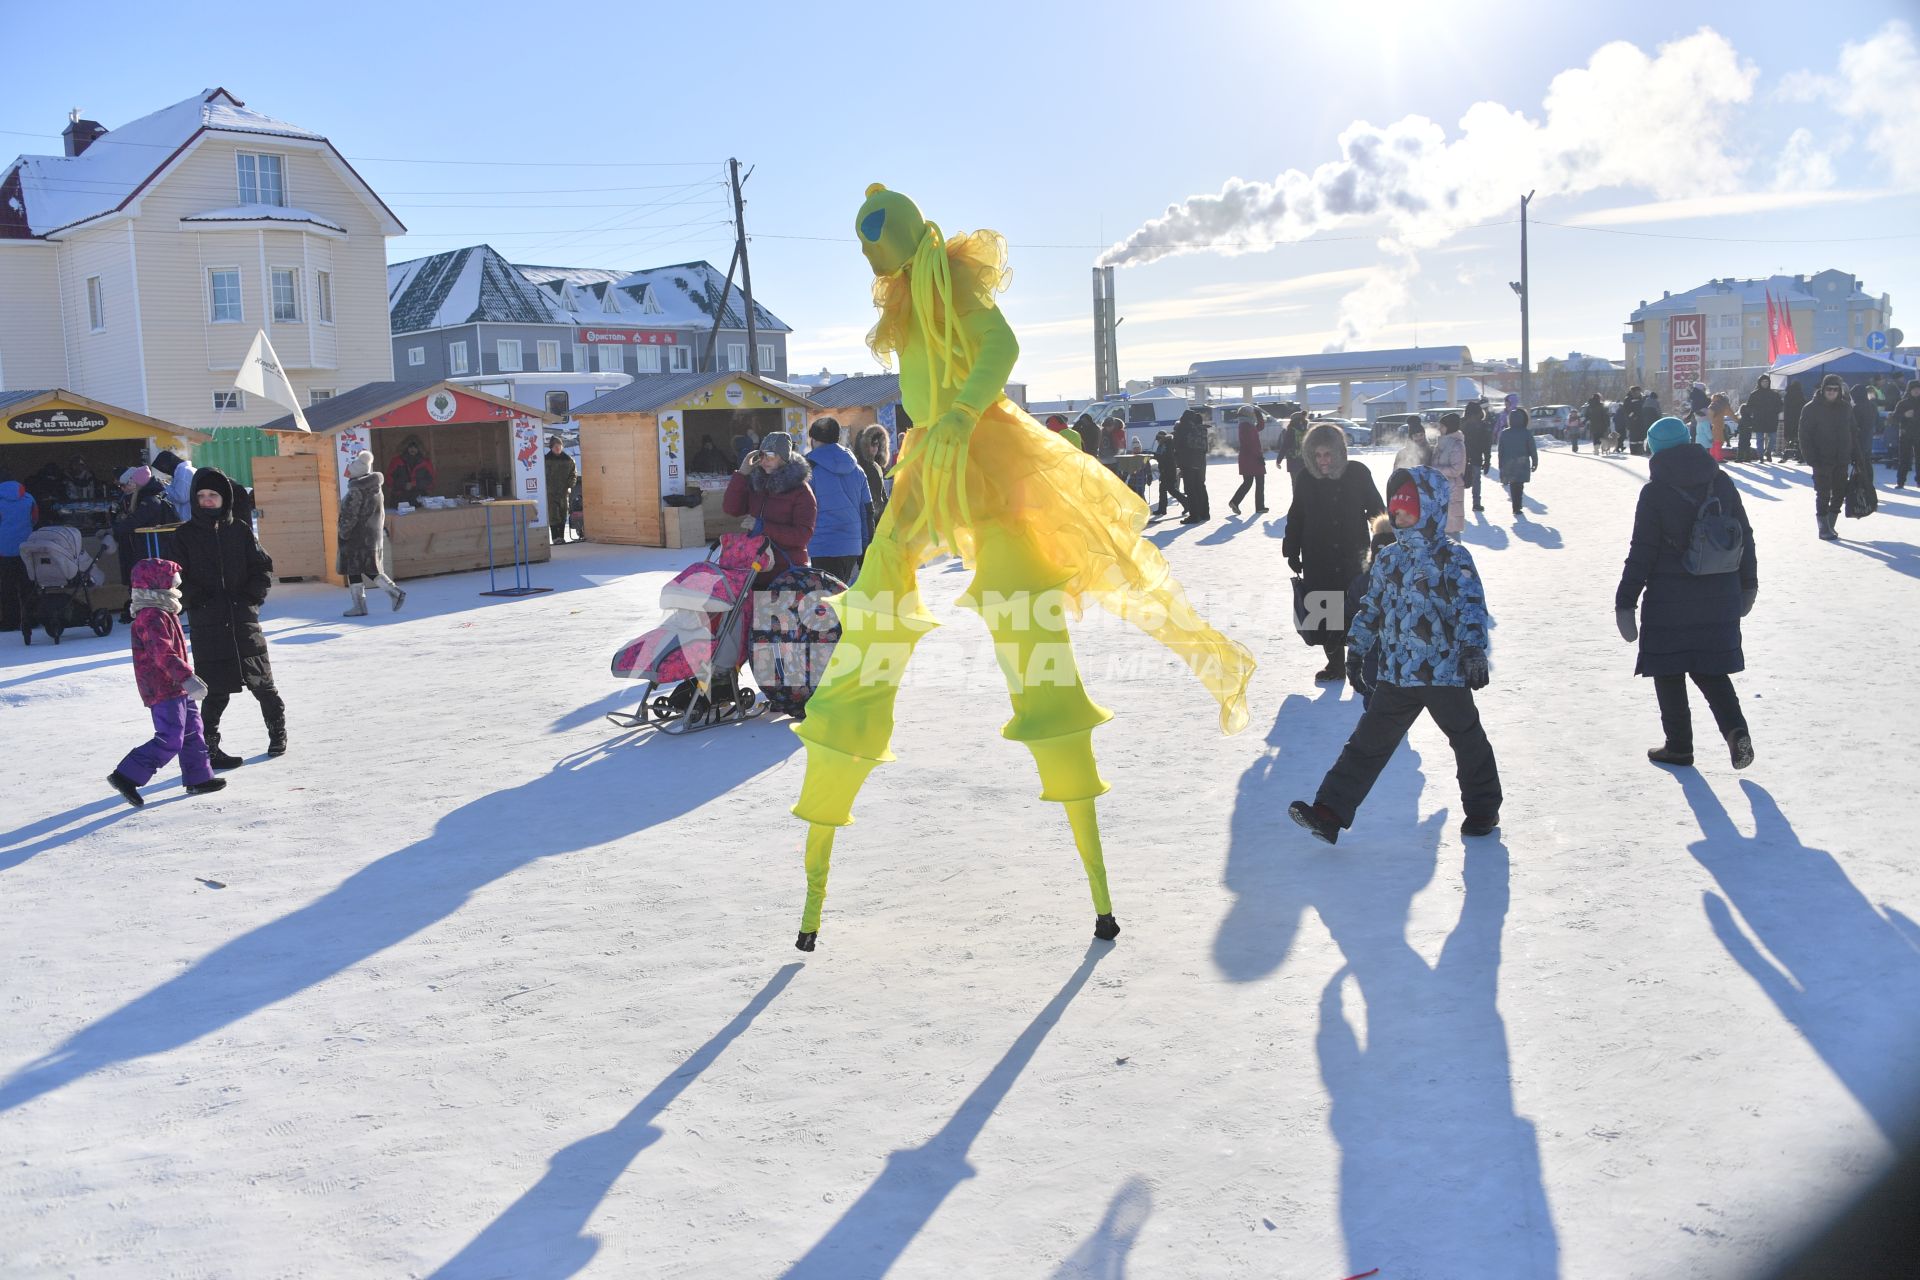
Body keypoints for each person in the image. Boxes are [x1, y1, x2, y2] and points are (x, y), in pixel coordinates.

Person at [785, 184, 1254, 951]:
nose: (876, 260)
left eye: (880, 241)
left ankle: (1097, 883)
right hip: (925, 459)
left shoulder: (954, 275)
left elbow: (999, 348)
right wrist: (937, 424)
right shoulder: (906, 296)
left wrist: (965, 411)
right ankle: (817, 866)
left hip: (983, 448)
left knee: (1024, 616)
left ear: (902, 237)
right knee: (875, 611)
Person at [1288, 466, 1500, 844]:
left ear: (1431, 508)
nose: (1399, 516)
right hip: (1397, 673)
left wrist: (1472, 649)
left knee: (1467, 740)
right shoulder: (1388, 559)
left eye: (1409, 510)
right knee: (1366, 744)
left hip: (1442, 673)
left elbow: (1471, 607)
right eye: (1396, 510)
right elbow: (1372, 608)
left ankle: (1483, 809)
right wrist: (1357, 651)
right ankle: (1329, 812)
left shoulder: (1453, 558)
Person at [1614, 417, 1757, 770]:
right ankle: (1736, 731)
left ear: (1654, 449)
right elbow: (1745, 535)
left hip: (1669, 598)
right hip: (1720, 592)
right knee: (1711, 669)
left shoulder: (1655, 492)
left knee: (1668, 669)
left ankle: (1679, 746)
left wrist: (1625, 600)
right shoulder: (1720, 480)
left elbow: (1642, 550)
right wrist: (1748, 584)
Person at [172, 468, 286, 766]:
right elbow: (175, 578)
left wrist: (251, 596)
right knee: (213, 690)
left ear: (225, 498)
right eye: (201, 496)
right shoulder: (183, 536)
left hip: (243, 618)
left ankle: (277, 732)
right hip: (208, 623)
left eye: (213, 495)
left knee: (263, 684)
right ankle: (209, 746)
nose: (207, 501)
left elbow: (261, 567)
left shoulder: (240, 530)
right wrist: (199, 600)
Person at [105, 558, 226, 807]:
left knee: (193, 730)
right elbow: (163, 653)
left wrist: (185, 679)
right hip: (162, 688)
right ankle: (126, 775)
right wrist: (187, 677)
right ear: (155, 584)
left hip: (177, 684)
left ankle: (198, 777)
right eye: (171, 582)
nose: (176, 586)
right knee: (171, 737)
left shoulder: (164, 609)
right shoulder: (151, 615)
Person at [1283, 422, 1385, 682]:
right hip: (1318, 556)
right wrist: (1291, 548)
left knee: (1359, 609)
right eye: (1316, 455)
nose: (1322, 461)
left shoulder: (1358, 473)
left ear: (1339, 452)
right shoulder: (1306, 478)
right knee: (1327, 611)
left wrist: (1383, 542)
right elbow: (1297, 515)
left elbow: (1376, 509)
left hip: (1355, 555)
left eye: (1327, 454)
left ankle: (1362, 663)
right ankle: (1335, 665)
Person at [722, 429, 816, 578]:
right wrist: (742, 474)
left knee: (775, 602)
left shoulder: (801, 491)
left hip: (787, 573)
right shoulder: (759, 484)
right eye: (761, 455)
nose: (764, 461)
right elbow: (731, 509)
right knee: (756, 602)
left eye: (770, 456)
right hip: (757, 569)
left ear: (784, 458)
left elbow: (801, 536)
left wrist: (762, 527)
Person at [801, 417, 870, 584]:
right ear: (838, 438)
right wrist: (866, 546)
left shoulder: (808, 468)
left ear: (813, 439)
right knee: (846, 598)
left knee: (826, 602)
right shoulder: (857, 469)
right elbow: (867, 511)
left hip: (823, 544)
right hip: (853, 545)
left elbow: (803, 509)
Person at [336, 450, 406, 617]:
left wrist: (343, 532)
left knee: (355, 569)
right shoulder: (374, 488)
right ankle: (392, 593)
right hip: (370, 536)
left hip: (356, 536)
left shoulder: (356, 491)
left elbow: (350, 516)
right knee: (367, 568)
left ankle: (366, 604)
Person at [111, 466, 177, 619]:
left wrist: (117, 529)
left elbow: (137, 520)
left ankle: (156, 610)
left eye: (123, 485)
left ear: (134, 483)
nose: (122, 488)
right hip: (145, 547)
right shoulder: (137, 498)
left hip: (153, 548)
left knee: (152, 579)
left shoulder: (150, 499)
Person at [1801, 374, 1859, 541]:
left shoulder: (1845, 407)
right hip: (1821, 459)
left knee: (1840, 492)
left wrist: (1856, 454)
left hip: (1842, 457)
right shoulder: (1811, 408)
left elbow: (1853, 431)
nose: (1832, 392)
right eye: (1829, 389)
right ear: (1823, 389)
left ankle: (1830, 524)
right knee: (1823, 493)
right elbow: (1804, 436)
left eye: (1835, 389)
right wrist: (1811, 458)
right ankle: (1823, 527)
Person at [0, 472, 39, 635]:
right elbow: (35, 520)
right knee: (28, 585)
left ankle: (10, 621)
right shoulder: (29, 498)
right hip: (26, 548)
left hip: (3, 549)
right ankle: (31, 618)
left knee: (7, 587)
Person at [1497, 400, 1539, 517]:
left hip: (1509, 463)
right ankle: (1518, 506)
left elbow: (1501, 451)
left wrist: (1501, 465)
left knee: (1513, 484)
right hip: (1522, 463)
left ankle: (1515, 506)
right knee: (1519, 485)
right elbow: (1532, 449)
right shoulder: (1526, 433)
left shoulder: (1504, 433)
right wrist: (1535, 461)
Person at [1430, 412, 1468, 534]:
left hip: (1452, 489)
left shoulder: (1457, 445)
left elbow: (1456, 470)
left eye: (1442, 426)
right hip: (1440, 488)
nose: (1439, 429)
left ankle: (1456, 553)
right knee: (1441, 528)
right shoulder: (1442, 442)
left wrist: (1435, 470)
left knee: (1451, 529)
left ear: (1449, 427)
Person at [1173, 406, 1211, 523]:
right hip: (1201, 462)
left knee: (1190, 489)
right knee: (1200, 487)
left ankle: (1194, 515)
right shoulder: (1200, 429)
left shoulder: (1183, 428)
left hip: (1188, 462)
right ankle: (1205, 513)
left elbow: (1177, 446)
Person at [1228, 404, 1267, 514]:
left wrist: (1259, 416)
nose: (1254, 415)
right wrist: (1259, 457)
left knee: (1248, 482)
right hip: (1252, 458)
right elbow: (1251, 444)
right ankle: (1259, 507)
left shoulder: (1246, 425)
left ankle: (1235, 501)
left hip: (1247, 458)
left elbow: (1260, 427)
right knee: (1259, 482)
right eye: (1253, 414)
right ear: (1248, 414)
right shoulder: (1247, 426)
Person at [854, 423, 892, 532]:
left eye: (878, 444)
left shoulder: (876, 466)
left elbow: (882, 493)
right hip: (866, 518)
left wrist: (888, 509)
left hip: (879, 516)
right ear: (864, 446)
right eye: (873, 444)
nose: (876, 447)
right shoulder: (859, 467)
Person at [1740, 375, 1781, 463]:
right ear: (1760, 383)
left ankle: (1768, 452)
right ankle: (1761, 455)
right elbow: (1748, 407)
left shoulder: (1774, 394)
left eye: (1767, 382)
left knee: (1773, 438)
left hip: (1771, 419)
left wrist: (1775, 411)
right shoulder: (1754, 394)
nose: (1765, 383)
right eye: (1763, 382)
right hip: (1759, 419)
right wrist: (1755, 411)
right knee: (1759, 439)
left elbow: (1780, 405)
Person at [543, 435, 577, 544]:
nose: (558, 448)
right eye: (555, 446)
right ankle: (555, 538)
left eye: (559, 445)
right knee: (553, 515)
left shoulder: (568, 460)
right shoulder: (545, 460)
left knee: (563, 514)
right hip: (550, 492)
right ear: (551, 447)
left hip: (563, 492)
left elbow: (573, 474)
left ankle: (561, 537)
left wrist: (569, 486)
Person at [1461, 400, 1493, 510]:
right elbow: (1487, 445)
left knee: (1459, 482)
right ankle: (1476, 503)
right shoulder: (1483, 426)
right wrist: (1487, 460)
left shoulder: (1460, 424)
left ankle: (1457, 504)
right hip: (1476, 458)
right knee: (1476, 481)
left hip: (1460, 458)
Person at [387, 435, 435, 507]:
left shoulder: (426, 463)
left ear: (419, 448)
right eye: (410, 447)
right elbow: (389, 480)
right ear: (405, 448)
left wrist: (414, 484)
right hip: (400, 499)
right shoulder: (396, 461)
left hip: (419, 498)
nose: (413, 449)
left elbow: (431, 482)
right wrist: (403, 485)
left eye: (415, 447)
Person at [150, 449, 196, 522]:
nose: (165, 471)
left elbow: (181, 497)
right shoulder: (182, 472)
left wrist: (162, 486)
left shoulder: (184, 472)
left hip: (187, 519)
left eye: (163, 468)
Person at [1893, 381, 1920, 489]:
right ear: (1910, 390)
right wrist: (1904, 415)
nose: (1916, 390)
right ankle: (1900, 481)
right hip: (1905, 435)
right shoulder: (1903, 403)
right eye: (1914, 389)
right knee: (1904, 459)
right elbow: (1894, 418)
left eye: (1918, 388)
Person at [1151, 430, 1183, 518]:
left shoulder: (1167, 444)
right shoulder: (1164, 444)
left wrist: (1154, 456)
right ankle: (1162, 509)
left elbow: (1165, 457)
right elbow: (1160, 456)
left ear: (1162, 438)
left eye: (1158, 439)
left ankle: (1187, 503)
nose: (1157, 441)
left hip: (1168, 470)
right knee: (1165, 490)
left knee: (1170, 490)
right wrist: (1153, 455)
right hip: (1165, 470)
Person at [1850, 383, 1879, 478]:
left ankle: (1861, 482)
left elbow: (1853, 424)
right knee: (1867, 460)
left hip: (1859, 438)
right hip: (1869, 436)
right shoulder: (1872, 405)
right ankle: (1868, 480)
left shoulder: (1857, 408)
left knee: (1859, 461)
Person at [1279, 410, 1313, 480]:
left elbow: (1285, 445)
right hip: (1305, 461)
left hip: (1293, 461)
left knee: (1295, 483)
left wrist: (1279, 460)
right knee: (1305, 482)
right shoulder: (1307, 430)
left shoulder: (1291, 430)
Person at [1781, 379, 1807, 463]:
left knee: (1788, 439)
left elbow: (1785, 408)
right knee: (1799, 440)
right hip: (1798, 420)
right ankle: (1800, 456)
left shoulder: (1787, 396)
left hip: (1788, 420)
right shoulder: (1801, 395)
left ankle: (1785, 456)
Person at [1705, 393, 1734, 462]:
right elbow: (1730, 414)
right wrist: (1738, 420)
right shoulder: (1721, 405)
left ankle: (1712, 457)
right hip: (1718, 426)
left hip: (1712, 426)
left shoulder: (1712, 405)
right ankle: (1718, 458)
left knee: (1714, 443)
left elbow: (1710, 416)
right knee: (1719, 442)